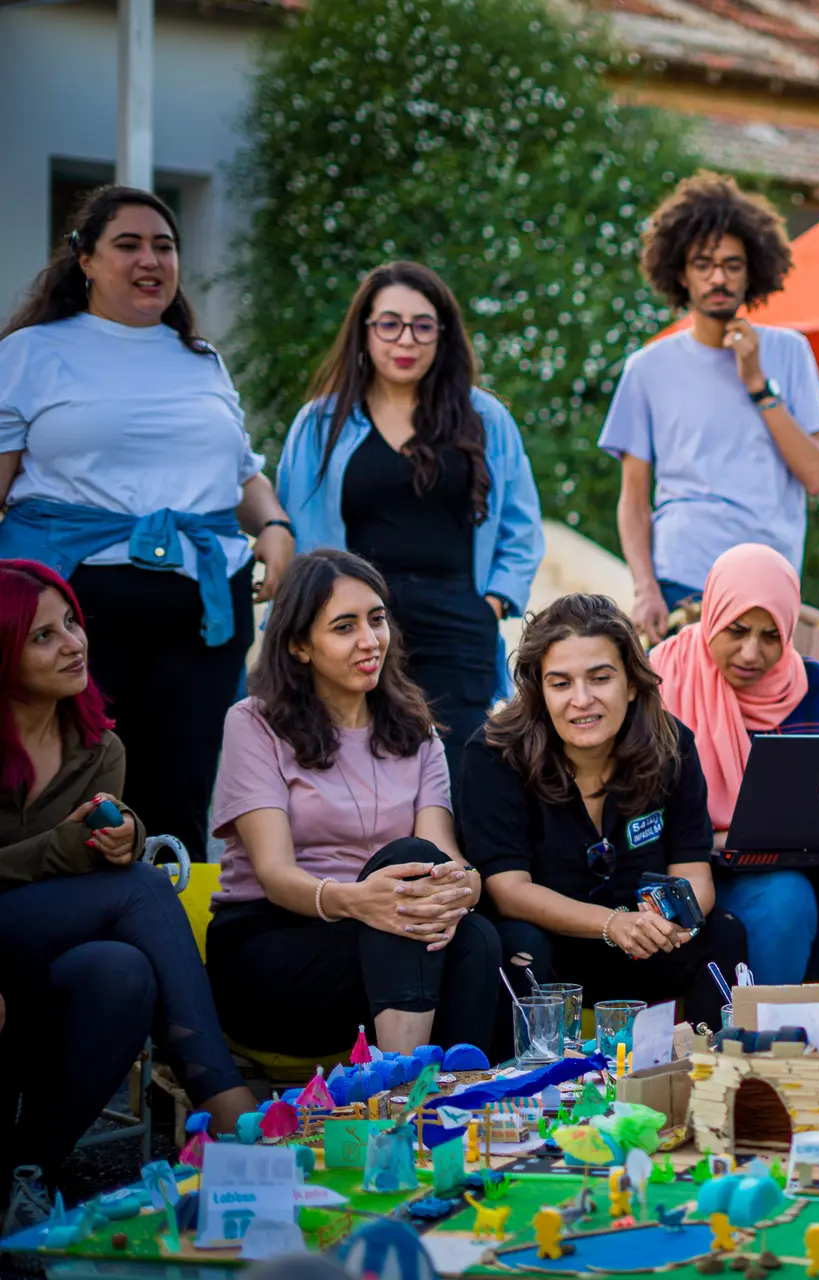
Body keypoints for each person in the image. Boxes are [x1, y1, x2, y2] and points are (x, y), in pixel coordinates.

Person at [0, 186, 297, 860]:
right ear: (85, 259)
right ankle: (90, 948)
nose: (150, 260)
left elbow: (240, 471)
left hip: (204, 612)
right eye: (128, 244)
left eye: (163, 245)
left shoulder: (200, 359)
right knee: (85, 799)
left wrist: (275, 527)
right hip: (76, 614)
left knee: (184, 797)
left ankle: (176, 946)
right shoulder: (30, 354)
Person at [0, 559, 254, 1222]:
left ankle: (25, 1169)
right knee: (141, 887)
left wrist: (122, 836)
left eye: (72, 625)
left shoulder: (97, 747)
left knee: (122, 971)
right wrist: (73, 850)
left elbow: (90, 869)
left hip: (41, 946)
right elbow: (71, 865)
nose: (73, 643)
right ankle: (227, 1105)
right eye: (42, 636)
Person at [206, 551, 497, 1057]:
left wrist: (465, 888)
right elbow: (274, 875)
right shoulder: (254, 724)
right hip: (274, 944)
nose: (370, 640)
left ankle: (450, 1106)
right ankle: (405, 1103)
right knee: (406, 919)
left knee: (477, 939)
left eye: (377, 619)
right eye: (344, 627)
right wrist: (361, 901)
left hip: (384, 936)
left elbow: (442, 853)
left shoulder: (418, 734)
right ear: (299, 645)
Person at [276, 261, 544, 790]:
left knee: (456, 781)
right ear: (365, 331)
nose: (407, 339)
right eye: (390, 324)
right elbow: (299, 532)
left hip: (457, 625)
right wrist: (315, 621)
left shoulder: (485, 418)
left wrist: (490, 602)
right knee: (352, 778)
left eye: (423, 325)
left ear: (443, 336)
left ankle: (455, 876)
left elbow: (521, 525)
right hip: (353, 629)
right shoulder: (319, 423)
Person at [459, 594, 747, 1032]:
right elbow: (508, 889)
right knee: (517, 942)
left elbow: (693, 871)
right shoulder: (494, 754)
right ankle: (530, 1087)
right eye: (560, 683)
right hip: (553, 943)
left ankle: (711, 1078)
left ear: (631, 683)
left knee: (723, 931)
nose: (582, 699)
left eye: (600, 678)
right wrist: (613, 924)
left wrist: (667, 921)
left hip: (645, 938)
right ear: (539, 689)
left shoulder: (672, 745)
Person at [651, 543, 819, 986]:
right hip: (710, 884)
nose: (750, 653)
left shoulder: (816, 688)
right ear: (712, 616)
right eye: (736, 630)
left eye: (770, 635)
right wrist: (715, 841)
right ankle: (765, 1049)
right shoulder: (662, 684)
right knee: (783, 895)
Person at [601, 172, 819, 640]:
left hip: (771, 575)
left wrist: (757, 385)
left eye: (732, 264)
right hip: (682, 577)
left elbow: (818, 476)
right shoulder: (647, 368)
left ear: (752, 272)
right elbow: (633, 499)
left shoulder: (789, 352)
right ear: (681, 273)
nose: (718, 277)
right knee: (684, 715)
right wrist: (645, 588)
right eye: (703, 264)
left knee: (769, 715)